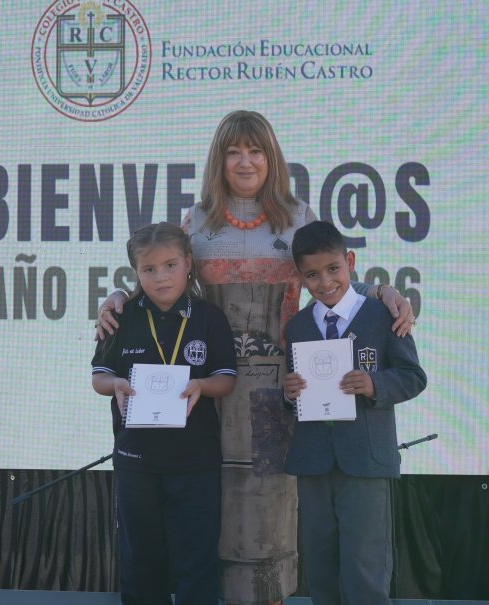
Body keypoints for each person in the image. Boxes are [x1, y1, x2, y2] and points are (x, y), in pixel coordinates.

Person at [96, 110, 415, 605]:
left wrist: (383, 291)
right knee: (214, 508)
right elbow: (164, 280)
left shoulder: (299, 216)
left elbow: (330, 277)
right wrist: (119, 297)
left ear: (272, 157)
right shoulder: (197, 221)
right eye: (233, 152)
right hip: (209, 392)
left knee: (268, 510)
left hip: (281, 392)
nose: (245, 162)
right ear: (218, 160)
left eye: (256, 151)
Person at [91, 222, 237, 605]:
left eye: (170, 265)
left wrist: (202, 385)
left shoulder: (208, 317)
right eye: (149, 269)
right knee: (141, 561)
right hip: (137, 461)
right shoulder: (120, 317)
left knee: (197, 561)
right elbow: (99, 377)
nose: (161, 277)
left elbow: (226, 379)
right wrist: (116, 384)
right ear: (135, 272)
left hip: (195, 462)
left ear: (188, 263)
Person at [282, 220, 427, 605]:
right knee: (320, 568)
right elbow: (294, 392)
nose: (325, 281)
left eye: (333, 269)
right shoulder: (297, 327)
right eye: (312, 275)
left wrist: (375, 384)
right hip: (314, 462)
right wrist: (289, 393)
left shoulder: (383, 314)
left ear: (349, 262)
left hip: (365, 461)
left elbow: (413, 377)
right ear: (300, 278)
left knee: (365, 568)